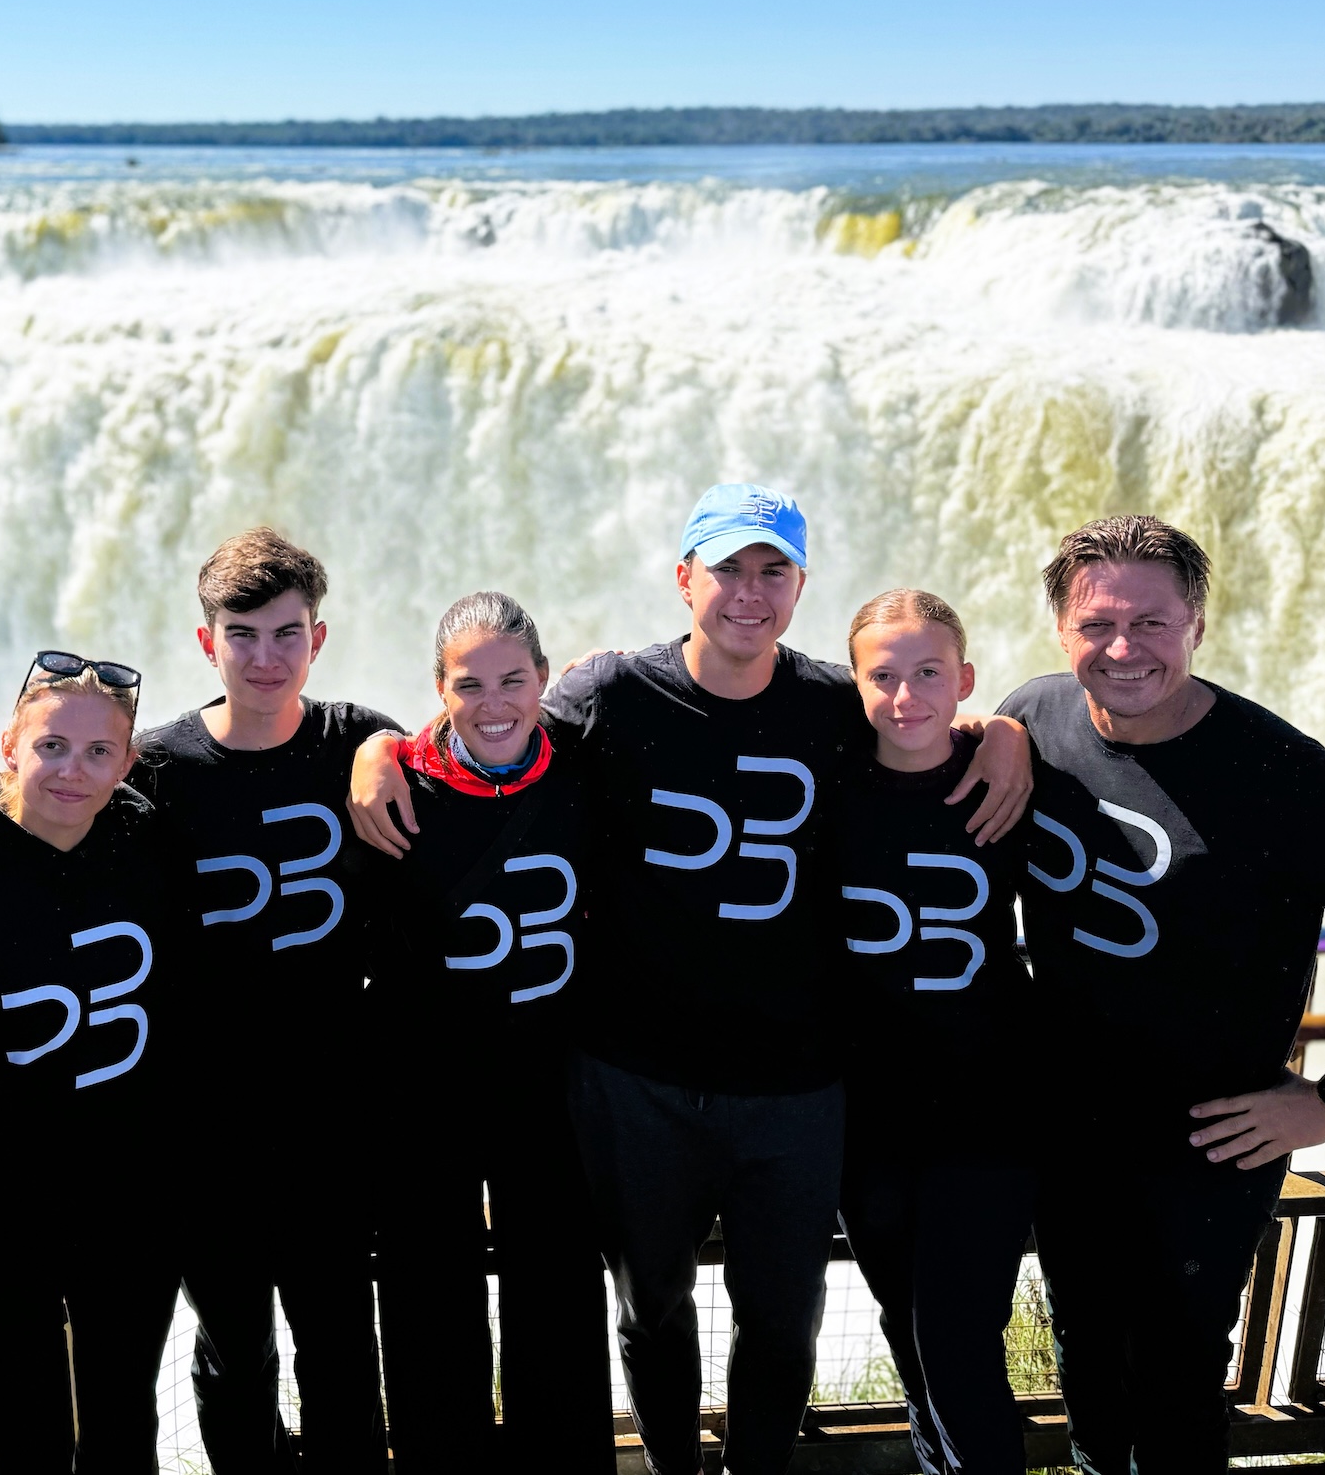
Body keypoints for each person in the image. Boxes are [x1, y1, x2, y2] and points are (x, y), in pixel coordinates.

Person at [351, 486, 1033, 1475]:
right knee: (649, 1312)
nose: (746, 594)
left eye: (771, 572)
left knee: (781, 1326)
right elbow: (486, 718)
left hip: (796, 1088)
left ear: (798, 585)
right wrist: (380, 753)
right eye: (725, 569)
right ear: (683, 580)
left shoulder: (834, 706)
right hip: (635, 1080)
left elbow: (927, 717)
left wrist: (1002, 731)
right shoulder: (610, 695)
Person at [1001, 514, 1325, 1475]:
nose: (1123, 648)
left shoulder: (1280, 773)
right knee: (1089, 1368)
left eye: (1152, 622)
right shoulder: (1035, 718)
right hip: (1066, 1129)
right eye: (1097, 624)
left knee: (1176, 1394)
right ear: (1061, 628)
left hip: (1209, 1145)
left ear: (1198, 624)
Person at [0, 529, 393, 1474]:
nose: (265, 657)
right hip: (195, 1140)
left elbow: (478, 735)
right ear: (205, 641)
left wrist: (387, 748)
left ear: (319, 639)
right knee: (232, 1359)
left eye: (287, 634)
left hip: (325, 1125)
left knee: (341, 1347)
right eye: (242, 634)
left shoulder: (354, 741)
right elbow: (40, 790)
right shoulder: (159, 773)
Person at [359, 592, 615, 1475]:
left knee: (560, 1301)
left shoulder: (586, 759)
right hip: (424, 1094)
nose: (495, 701)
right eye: (470, 685)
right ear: (437, 690)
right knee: (430, 1304)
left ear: (545, 680)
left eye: (514, 679)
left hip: (550, 1088)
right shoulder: (394, 787)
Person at [0, 651, 182, 1472]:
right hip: (2, 1220)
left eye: (99, 752)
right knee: (25, 1431)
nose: (74, 770)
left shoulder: (149, 847)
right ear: (10, 744)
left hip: (133, 1203)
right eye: (51, 747)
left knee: (122, 1419)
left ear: (128, 762)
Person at [831, 590, 1035, 1475]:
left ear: (966, 681)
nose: (908, 695)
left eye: (929, 674)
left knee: (956, 1336)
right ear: (854, 684)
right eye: (884, 676)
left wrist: (1008, 733)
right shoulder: (824, 777)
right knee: (908, 1332)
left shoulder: (1012, 778)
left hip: (988, 1107)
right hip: (865, 1117)